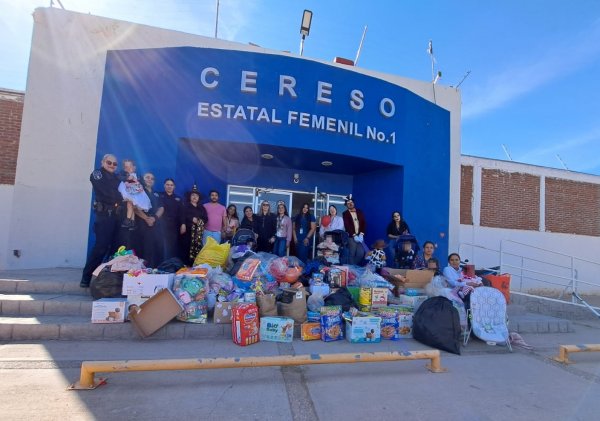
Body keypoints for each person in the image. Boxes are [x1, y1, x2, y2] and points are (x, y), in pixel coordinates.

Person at [80, 154, 123, 288]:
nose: (112, 165)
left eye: (115, 164)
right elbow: (106, 192)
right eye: (109, 162)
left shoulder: (117, 177)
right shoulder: (97, 174)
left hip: (116, 217)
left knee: (116, 249)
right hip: (104, 216)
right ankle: (86, 278)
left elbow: (121, 191)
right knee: (101, 247)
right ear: (103, 162)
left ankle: (107, 279)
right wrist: (121, 195)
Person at [133, 172, 164, 268]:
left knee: (155, 248)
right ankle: (141, 272)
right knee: (143, 248)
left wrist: (154, 218)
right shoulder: (138, 191)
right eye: (147, 177)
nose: (150, 179)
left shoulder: (156, 194)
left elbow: (161, 208)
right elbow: (134, 207)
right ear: (143, 179)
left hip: (154, 224)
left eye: (152, 178)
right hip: (141, 224)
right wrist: (146, 219)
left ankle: (153, 270)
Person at [118, 159, 151, 229]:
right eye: (126, 167)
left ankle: (129, 219)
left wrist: (141, 184)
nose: (128, 168)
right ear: (124, 168)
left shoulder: (138, 176)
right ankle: (131, 221)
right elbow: (119, 176)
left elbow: (142, 183)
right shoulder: (124, 174)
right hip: (128, 190)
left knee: (131, 204)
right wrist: (127, 177)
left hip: (135, 192)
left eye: (130, 166)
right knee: (130, 204)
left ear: (134, 167)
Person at [179, 185, 208, 266]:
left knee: (197, 248)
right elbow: (182, 215)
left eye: (196, 196)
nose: (194, 197)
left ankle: (194, 266)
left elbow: (206, 218)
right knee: (186, 247)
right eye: (193, 195)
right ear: (190, 197)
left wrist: (199, 221)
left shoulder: (201, 207)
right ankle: (185, 265)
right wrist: (187, 222)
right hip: (188, 231)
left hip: (198, 233)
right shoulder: (185, 205)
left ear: (198, 198)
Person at [158, 178, 183, 260]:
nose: (169, 186)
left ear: (174, 187)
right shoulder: (159, 196)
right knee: (162, 246)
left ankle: (172, 264)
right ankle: (162, 264)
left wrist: (183, 224)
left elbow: (181, 213)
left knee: (173, 246)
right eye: (167, 185)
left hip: (174, 227)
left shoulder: (178, 199)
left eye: (171, 185)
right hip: (161, 226)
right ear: (164, 185)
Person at [342, 195, 367, 265]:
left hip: (360, 236)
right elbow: (347, 225)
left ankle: (353, 266)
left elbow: (363, 223)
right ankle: (352, 269)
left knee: (361, 253)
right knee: (352, 253)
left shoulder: (359, 211)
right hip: (351, 236)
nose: (350, 203)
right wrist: (354, 235)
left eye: (351, 202)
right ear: (346, 205)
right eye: (348, 203)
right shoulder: (345, 214)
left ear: (353, 203)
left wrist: (361, 234)